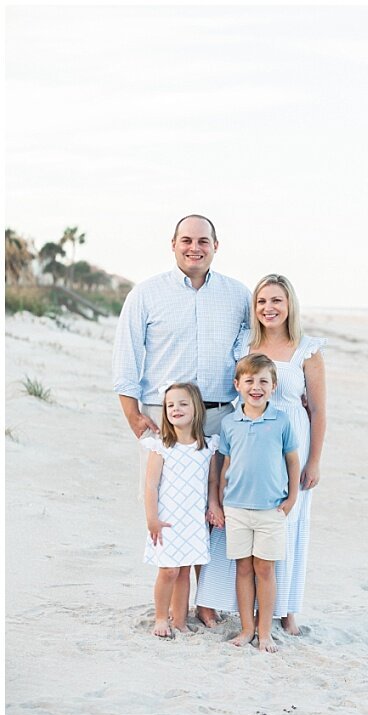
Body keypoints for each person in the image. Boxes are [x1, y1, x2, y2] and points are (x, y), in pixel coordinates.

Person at [112, 213, 249, 628]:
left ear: (216, 246)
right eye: (187, 240)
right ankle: (169, 603)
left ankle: (206, 601)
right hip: (164, 417)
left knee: (216, 508)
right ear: (173, 244)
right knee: (166, 503)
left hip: (221, 414)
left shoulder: (238, 295)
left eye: (203, 240)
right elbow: (127, 357)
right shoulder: (146, 294)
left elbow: (254, 351)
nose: (195, 247)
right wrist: (134, 416)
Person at [194, 275, 327, 636]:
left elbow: (318, 410)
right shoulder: (244, 343)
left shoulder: (307, 350)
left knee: (287, 522)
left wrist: (314, 460)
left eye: (277, 301)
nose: (269, 308)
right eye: (262, 301)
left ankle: (285, 610)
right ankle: (218, 601)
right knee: (236, 522)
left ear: (290, 306)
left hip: (290, 441)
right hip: (247, 439)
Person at [205, 353, 300, 653]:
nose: (256, 387)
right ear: (237, 385)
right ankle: (246, 629)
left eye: (263, 381)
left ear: (273, 386)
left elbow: (293, 462)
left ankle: (265, 631)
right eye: (249, 381)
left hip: (271, 509)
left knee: (265, 569)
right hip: (236, 509)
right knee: (243, 569)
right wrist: (219, 501)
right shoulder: (231, 423)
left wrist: (292, 499)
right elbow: (226, 465)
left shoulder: (281, 421)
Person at [141, 381, 218, 639]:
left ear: (196, 408)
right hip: (167, 521)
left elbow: (212, 482)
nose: (176, 409)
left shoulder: (207, 447)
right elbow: (150, 486)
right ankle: (162, 616)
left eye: (183, 403)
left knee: (185, 570)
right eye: (170, 405)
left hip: (193, 520)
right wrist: (152, 519)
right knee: (169, 570)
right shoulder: (162, 446)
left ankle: (180, 619)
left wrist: (214, 506)